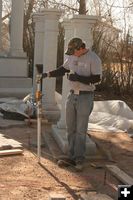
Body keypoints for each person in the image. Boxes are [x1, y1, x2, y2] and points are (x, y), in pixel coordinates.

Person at [42, 37, 102, 171]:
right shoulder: (72, 57)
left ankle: (79, 159)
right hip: (72, 95)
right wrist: (47, 74)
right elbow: (63, 69)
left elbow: (97, 79)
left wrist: (78, 78)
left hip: (85, 97)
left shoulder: (94, 58)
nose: (72, 54)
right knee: (70, 128)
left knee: (81, 131)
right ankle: (71, 156)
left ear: (81, 48)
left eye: (74, 51)